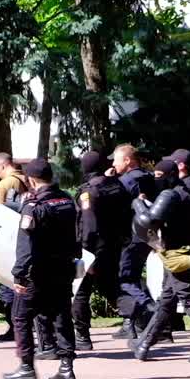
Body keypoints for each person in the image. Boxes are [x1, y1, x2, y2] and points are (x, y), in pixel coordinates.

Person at [130, 153, 190, 363]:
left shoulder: (171, 195)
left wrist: (138, 203)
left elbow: (149, 220)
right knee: (167, 300)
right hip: (188, 252)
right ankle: (145, 344)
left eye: (159, 175)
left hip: (176, 255)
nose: (157, 179)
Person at [2, 159, 80, 379]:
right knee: (62, 315)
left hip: (37, 273)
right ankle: (67, 368)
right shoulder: (66, 200)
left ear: (32, 180)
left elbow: (26, 246)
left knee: (20, 316)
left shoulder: (34, 206)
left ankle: (26, 366)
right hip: (63, 269)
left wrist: (18, 273)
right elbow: (77, 232)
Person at [72, 150, 129, 353]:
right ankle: (137, 318)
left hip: (89, 251)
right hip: (113, 247)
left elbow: (88, 225)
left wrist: (87, 257)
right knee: (113, 288)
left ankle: (82, 336)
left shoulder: (89, 191)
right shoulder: (117, 185)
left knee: (80, 291)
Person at [111, 144, 158, 340]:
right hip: (146, 236)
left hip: (132, 236)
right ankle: (132, 322)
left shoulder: (126, 181)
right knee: (135, 276)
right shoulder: (149, 177)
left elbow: (117, 206)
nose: (113, 163)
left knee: (125, 278)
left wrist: (109, 181)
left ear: (128, 160)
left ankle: (152, 311)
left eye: (116, 159)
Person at [0, 153, 29, 343]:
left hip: (9, 243)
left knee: (7, 288)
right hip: (27, 242)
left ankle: (14, 328)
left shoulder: (4, 185)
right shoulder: (29, 179)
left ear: (3, 166)